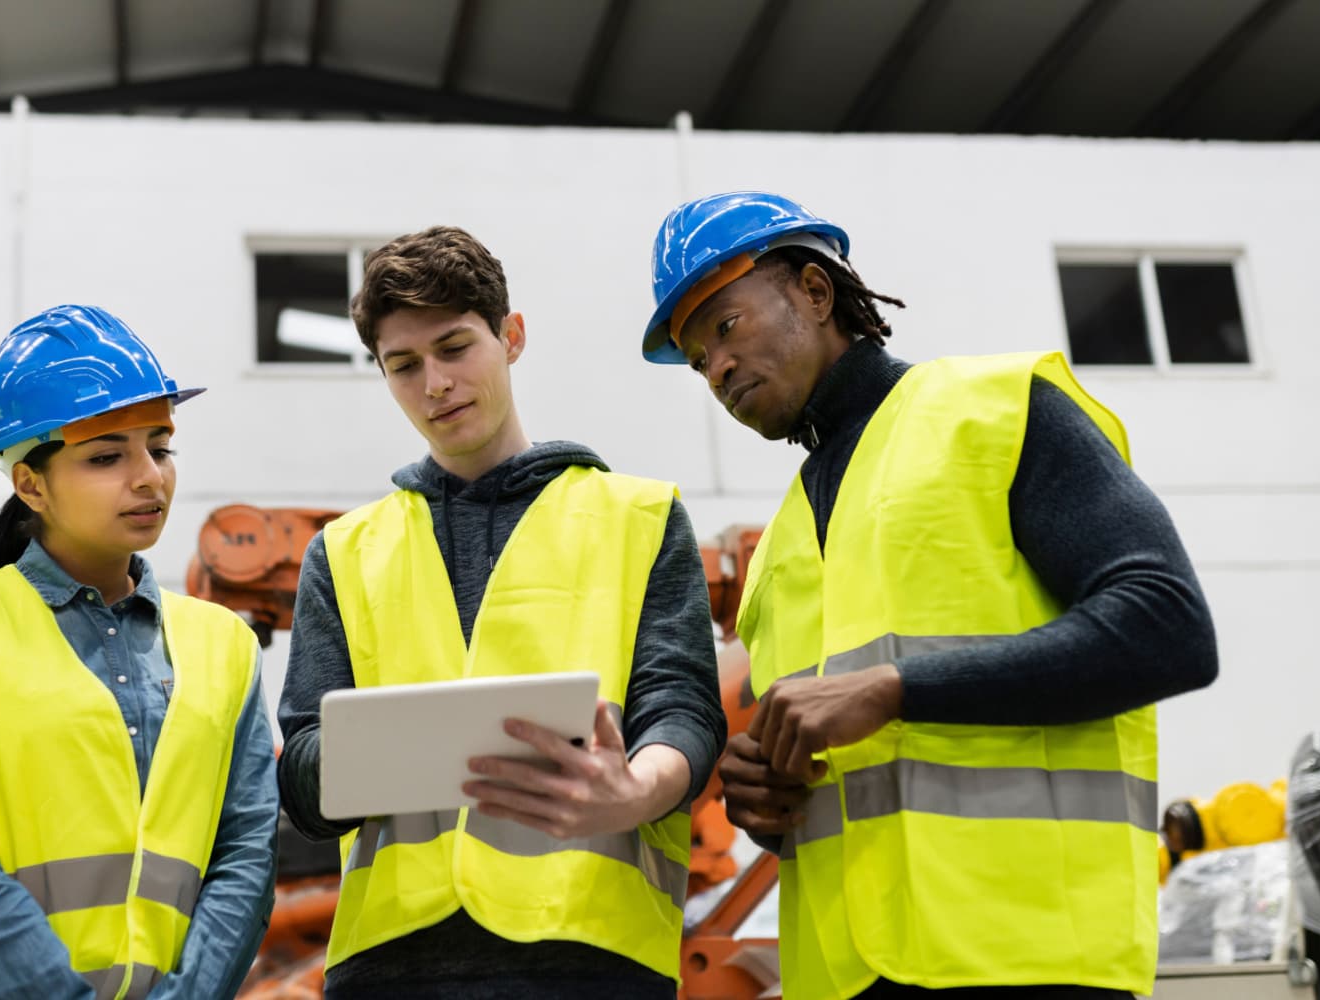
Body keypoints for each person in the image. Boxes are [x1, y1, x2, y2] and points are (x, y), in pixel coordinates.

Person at [641, 191, 1220, 999]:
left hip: (1028, 961)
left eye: (727, 326)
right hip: (846, 976)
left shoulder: (994, 413)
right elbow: (860, 789)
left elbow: (1168, 629)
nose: (719, 368)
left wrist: (893, 689)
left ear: (814, 291)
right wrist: (763, 803)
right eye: (698, 358)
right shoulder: (777, 551)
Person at [277, 226, 725, 999]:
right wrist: (379, 752)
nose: (435, 384)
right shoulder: (344, 553)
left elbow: (681, 707)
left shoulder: (640, 517)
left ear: (511, 336)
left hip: (590, 955)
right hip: (391, 964)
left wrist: (639, 789)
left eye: (455, 348)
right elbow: (306, 784)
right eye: (404, 365)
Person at [0, 304, 278, 1000]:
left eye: (160, 445)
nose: (149, 475)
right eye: (106, 456)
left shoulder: (226, 646)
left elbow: (245, 853)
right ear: (30, 483)